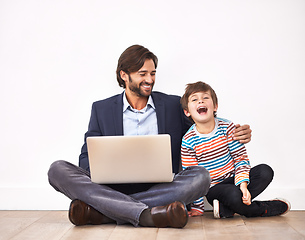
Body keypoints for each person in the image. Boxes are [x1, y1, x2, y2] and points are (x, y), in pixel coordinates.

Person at [48, 45, 252, 228]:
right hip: (113, 187)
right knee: (57, 169)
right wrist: (102, 175)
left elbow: (203, 129)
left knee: (200, 177)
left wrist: (234, 133)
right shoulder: (101, 109)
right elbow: (86, 156)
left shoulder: (172, 105)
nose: (150, 80)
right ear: (124, 75)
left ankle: (104, 211)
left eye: (153, 73)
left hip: (162, 187)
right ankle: (146, 214)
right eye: (142, 73)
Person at [180, 81, 291, 218]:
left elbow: (240, 159)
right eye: (195, 99)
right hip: (214, 189)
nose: (200, 101)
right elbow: (193, 177)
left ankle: (226, 209)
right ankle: (264, 209)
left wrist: (243, 186)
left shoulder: (228, 127)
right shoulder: (188, 140)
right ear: (187, 112)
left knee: (265, 171)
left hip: (235, 179)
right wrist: (198, 208)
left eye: (205, 98)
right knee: (232, 193)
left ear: (215, 106)